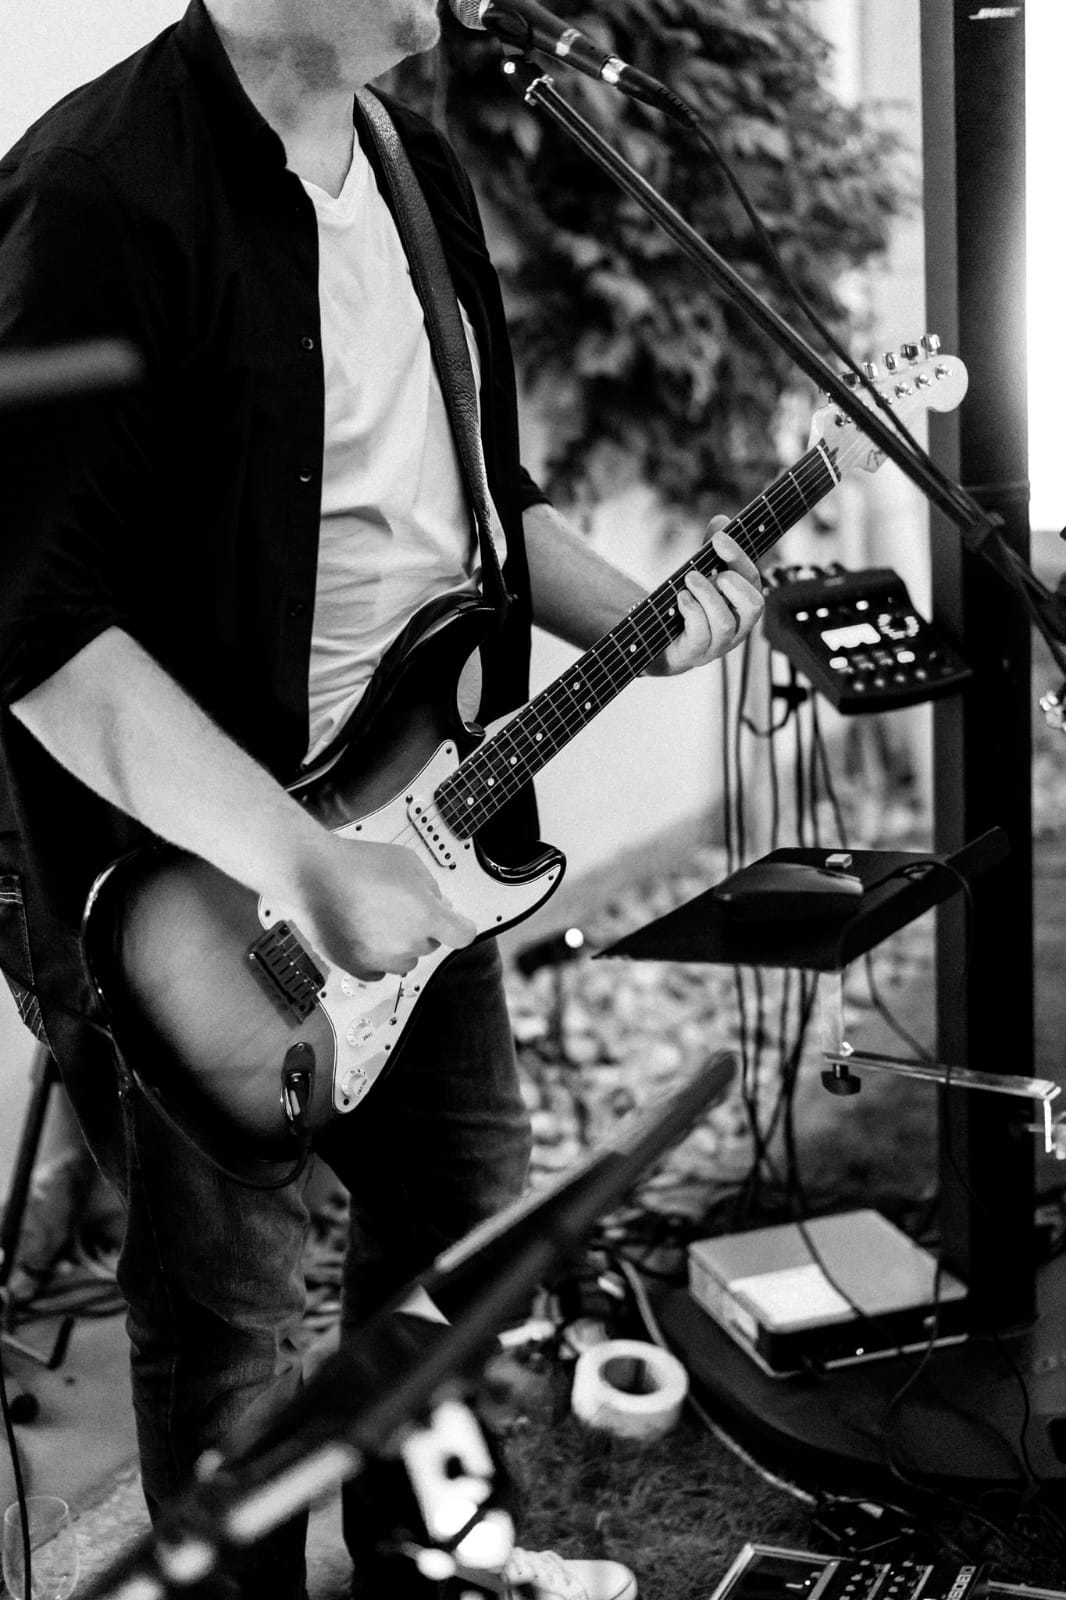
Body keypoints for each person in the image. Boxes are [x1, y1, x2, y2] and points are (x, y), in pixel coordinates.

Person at [0, 0, 763, 1595]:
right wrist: (301, 858)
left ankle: (426, 1564)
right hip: (202, 889)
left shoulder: (414, 168)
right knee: (229, 1328)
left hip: (433, 839)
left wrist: (646, 612)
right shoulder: (97, 196)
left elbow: (480, 511)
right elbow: (33, 615)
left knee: (466, 1242)